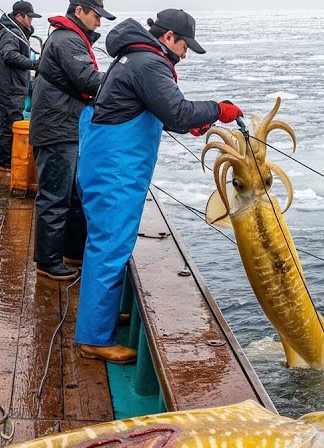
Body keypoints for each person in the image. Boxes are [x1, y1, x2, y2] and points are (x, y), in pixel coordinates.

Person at [74, 9, 243, 364]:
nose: (184, 54)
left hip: (108, 166)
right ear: (169, 38)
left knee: (107, 243)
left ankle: (99, 316)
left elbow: (155, 111)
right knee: (109, 246)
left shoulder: (133, 58)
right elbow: (177, 111)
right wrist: (218, 109)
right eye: (184, 46)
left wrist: (190, 124)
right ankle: (94, 337)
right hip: (115, 171)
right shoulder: (149, 63)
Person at [27, 0, 114, 281]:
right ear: (79, 11)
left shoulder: (68, 37)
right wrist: (126, 82)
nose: (99, 22)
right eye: (96, 16)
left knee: (73, 195)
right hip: (57, 130)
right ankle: (48, 261)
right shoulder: (67, 40)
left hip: (65, 127)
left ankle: (71, 252)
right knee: (54, 196)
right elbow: (89, 80)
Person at [0, 1, 41, 171]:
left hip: (10, 84)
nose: (31, 22)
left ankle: (5, 163)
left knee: (9, 122)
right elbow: (9, 55)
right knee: (9, 125)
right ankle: (5, 165)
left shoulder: (15, 30)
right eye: (29, 18)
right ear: (19, 16)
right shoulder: (12, 32)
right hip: (9, 87)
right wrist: (33, 64)